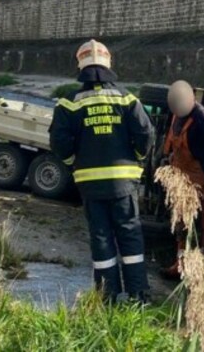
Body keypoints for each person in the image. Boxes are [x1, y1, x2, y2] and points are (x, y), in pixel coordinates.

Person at [49, 39, 154, 303]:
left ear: (80, 66)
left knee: (101, 237)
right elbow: (145, 133)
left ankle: (107, 295)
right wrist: (138, 158)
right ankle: (138, 294)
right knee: (129, 233)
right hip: (124, 183)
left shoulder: (68, 103)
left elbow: (59, 141)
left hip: (90, 184)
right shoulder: (127, 98)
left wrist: (74, 160)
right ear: (109, 64)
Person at [160, 80, 204, 280]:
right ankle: (179, 263)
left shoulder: (202, 118)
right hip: (180, 175)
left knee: (197, 224)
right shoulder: (176, 114)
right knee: (180, 222)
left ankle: (196, 268)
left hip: (198, 176)